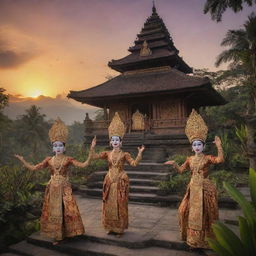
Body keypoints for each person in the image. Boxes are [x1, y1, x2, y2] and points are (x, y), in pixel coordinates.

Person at [15, 118, 96, 244]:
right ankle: (57, 235)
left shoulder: (68, 159)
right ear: (53, 148)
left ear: (64, 147)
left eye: (60, 145)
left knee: (67, 209)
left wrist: (91, 150)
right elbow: (34, 168)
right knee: (55, 211)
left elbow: (84, 165)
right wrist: (23, 160)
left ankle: (69, 232)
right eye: (55, 145)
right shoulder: (49, 160)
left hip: (64, 188)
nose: (57, 148)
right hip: (52, 188)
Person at [164, 109, 224, 249]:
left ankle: (204, 241)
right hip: (192, 189)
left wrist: (219, 147)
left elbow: (220, 160)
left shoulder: (208, 158)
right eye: (194, 145)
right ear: (192, 147)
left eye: (199, 144)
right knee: (184, 211)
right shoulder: (189, 159)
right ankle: (192, 239)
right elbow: (181, 171)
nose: (197, 147)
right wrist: (174, 164)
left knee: (205, 214)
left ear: (203, 146)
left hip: (204, 189)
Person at [92, 112, 145, 237]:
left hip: (120, 181)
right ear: (110, 142)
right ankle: (110, 227)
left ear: (121, 142)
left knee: (120, 204)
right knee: (109, 204)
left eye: (117, 139)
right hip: (109, 181)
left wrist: (140, 153)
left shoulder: (125, 154)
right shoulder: (107, 154)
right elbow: (94, 156)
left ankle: (119, 229)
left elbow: (134, 164)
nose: (115, 141)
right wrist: (92, 147)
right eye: (113, 139)